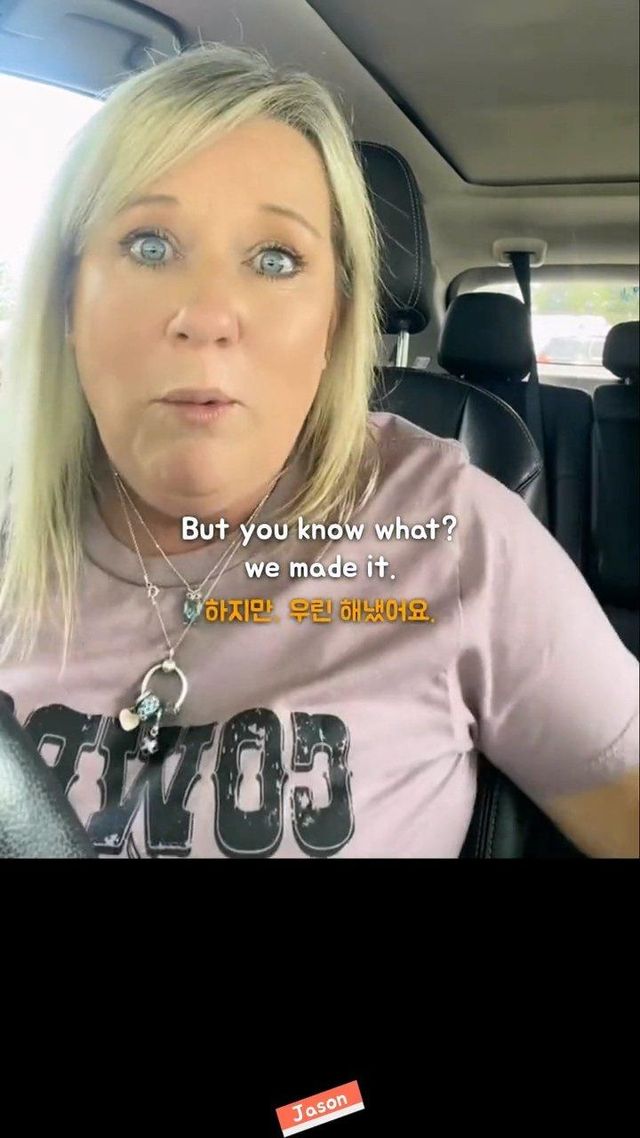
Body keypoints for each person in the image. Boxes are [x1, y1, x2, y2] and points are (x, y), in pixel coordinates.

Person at [0, 43, 637, 859]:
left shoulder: (449, 531)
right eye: (150, 245)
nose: (208, 315)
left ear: (333, 323)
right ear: (66, 299)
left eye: (276, 259)